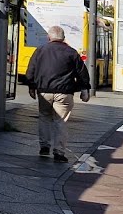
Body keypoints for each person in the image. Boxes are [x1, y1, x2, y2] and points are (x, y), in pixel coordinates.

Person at [25, 25, 91, 163]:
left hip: (44, 91)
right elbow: (82, 72)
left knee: (44, 117)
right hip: (64, 92)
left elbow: (31, 70)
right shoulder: (71, 52)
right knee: (60, 121)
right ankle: (59, 152)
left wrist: (31, 86)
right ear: (63, 38)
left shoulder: (40, 50)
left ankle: (44, 147)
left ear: (49, 37)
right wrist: (85, 89)